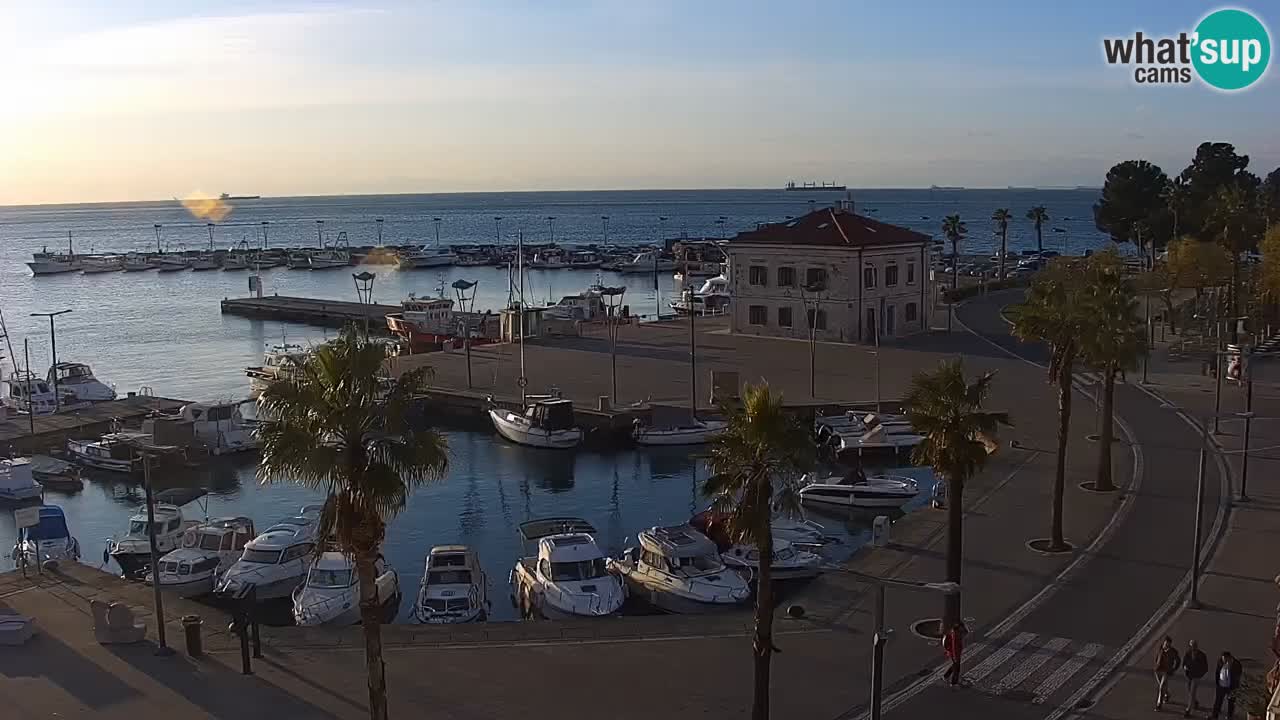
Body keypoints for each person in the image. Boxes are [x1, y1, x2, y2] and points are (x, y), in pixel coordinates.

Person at [1210, 651, 1243, 720]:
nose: (1223, 661)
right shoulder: (1220, 661)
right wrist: (1217, 682)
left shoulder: (1236, 664)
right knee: (1218, 701)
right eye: (1222, 659)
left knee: (1231, 702)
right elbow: (1217, 672)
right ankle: (1214, 716)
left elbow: (1238, 675)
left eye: (1225, 659)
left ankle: (1229, 716)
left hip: (1231, 687)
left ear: (1229, 658)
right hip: (1221, 686)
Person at [1155, 636, 1183, 710]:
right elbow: (1157, 657)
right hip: (1158, 670)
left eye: (1168, 644)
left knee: (1161, 687)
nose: (1166, 646)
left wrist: (1173, 669)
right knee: (1161, 684)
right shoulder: (1160, 649)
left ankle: (1159, 704)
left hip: (1166, 671)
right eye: (1165, 644)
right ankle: (1167, 694)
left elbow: (1178, 661)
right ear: (1163, 643)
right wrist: (1156, 665)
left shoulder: (1173, 652)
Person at [1184, 639, 1208, 717]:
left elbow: (1205, 667)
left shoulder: (1202, 655)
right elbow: (1184, 662)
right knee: (1189, 690)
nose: (1192, 647)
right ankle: (1195, 702)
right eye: (1191, 646)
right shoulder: (1188, 653)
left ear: (1196, 646)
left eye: (1194, 645)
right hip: (1189, 675)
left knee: (1192, 692)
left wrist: (1200, 674)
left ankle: (1188, 710)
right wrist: (1184, 667)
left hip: (1196, 676)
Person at [942, 622, 968, 687]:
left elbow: (966, 632)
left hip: (954, 652)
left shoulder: (957, 633)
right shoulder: (955, 635)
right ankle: (954, 683)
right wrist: (956, 657)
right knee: (957, 668)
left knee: (955, 665)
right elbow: (954, 647)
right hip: (954, 653)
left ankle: (946, 676)